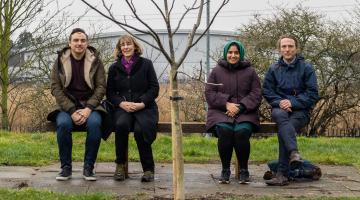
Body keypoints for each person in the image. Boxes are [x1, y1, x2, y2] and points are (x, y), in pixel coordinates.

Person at [47, 28, 106, 181]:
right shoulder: (60, 61)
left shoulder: (96, 61)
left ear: (87, 43)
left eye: (82, 40)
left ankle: (88, 168)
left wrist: (88, 109)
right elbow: (55, 87)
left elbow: (101, 87)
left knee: (95, 124)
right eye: (76, 40)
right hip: (66, 107)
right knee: (63, 124)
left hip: (90, 106)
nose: (79, 43)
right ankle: (66, 168)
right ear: (69, 43)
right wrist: (72, 110)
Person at [262, 34, 319, 186]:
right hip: (279, 109)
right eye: (284, 46)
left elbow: (313, 94)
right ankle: (294, 154)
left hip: (300, 111)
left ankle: (282, 174)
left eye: (290, 46)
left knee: (284, 130)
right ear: (279, 49)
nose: (287, 49)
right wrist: (280, 102)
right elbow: (267, 91)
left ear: (296, 48)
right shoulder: (273, 69)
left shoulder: (307, 68)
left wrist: (292, 102)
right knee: (283, 123)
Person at [205, 40, 262, 184]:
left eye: (236, 53)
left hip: (245, 112)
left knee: (241, 133)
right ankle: (225, 170)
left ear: (241, 54)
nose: (233, 55)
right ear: (226, 54)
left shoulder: (250, 71)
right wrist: (226, 104)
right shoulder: (216, 71)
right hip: (221, 112)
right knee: (225, 132)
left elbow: (256, 93)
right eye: (230, 52)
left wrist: (241, 106)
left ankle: (244, 170)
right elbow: (209, 93)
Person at [106, 35, 159, 182]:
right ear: (119, 48)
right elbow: (110, 92)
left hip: (145, 107)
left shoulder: (146, 64)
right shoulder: (114, 68)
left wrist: (142, 103)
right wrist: (121, 104)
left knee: (140, 130)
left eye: (128, 44)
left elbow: (154, 88)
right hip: (123, 108)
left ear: (135, 46)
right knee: (121, 125)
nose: (125, 47)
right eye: (122, 45)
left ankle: (148, 169)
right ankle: (120, 166)